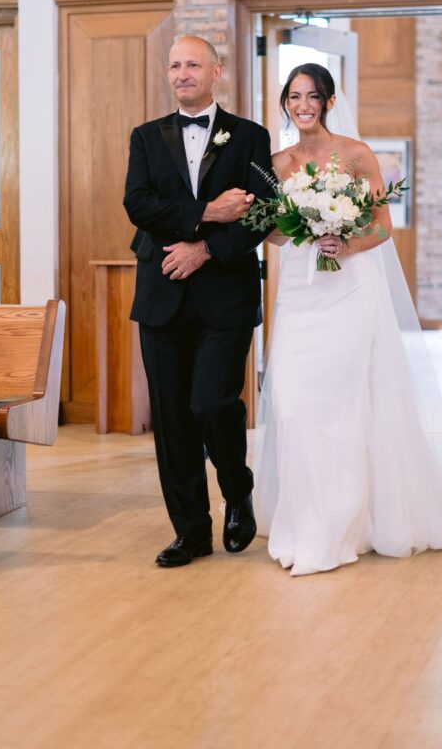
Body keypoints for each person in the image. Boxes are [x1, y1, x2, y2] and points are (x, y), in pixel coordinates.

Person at [255, 63, 442, 577]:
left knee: (344, 405)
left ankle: (343, 523)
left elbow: (382, 227)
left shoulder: (356, 155)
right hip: (299, 291)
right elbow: (270, 232)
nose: (303, 105)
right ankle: (302, 514)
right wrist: (296, 228)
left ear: (330, 102)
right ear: (285, 104)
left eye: (313, 96)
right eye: (294, 97)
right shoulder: (277, 162)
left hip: (349, 289)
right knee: (290, 403)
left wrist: (343, 239)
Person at [124, 35, 273, 568]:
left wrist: (205, 250)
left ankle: (238, 490)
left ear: (217, 71)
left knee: (212, 403)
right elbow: (138, 203)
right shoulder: (145, 137)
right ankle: (190, 532)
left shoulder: (251, 137)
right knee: (171, 420)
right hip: (161, 290)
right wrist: (208, 212)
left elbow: (264, 213)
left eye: (192, 64)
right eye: (174, 65)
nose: (182, 73)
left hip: (224, 296)